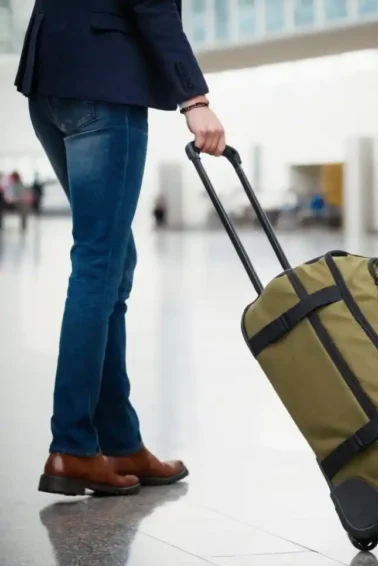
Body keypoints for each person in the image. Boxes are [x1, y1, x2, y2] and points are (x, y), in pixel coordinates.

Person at [15, 0, 226, 497]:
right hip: (104, 86)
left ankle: (121, 442)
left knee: (113, 258)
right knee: (97, 262)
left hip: (50, 84)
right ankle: (71, 448)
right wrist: (194, 99)